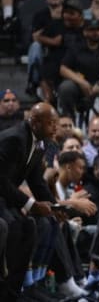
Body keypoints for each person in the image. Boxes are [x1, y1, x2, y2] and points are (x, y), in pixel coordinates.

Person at [0, 102, 58, 300]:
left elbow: (36, 181)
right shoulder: (15, 139)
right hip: (2, 192)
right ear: (34, 123)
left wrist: (56, 208)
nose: (55, 128)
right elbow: (1, 181)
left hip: (5, 196)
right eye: (51, 123)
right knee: (14, 226)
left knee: (30, 226)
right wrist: (31, 205)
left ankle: (15, 292)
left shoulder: (40, 143)